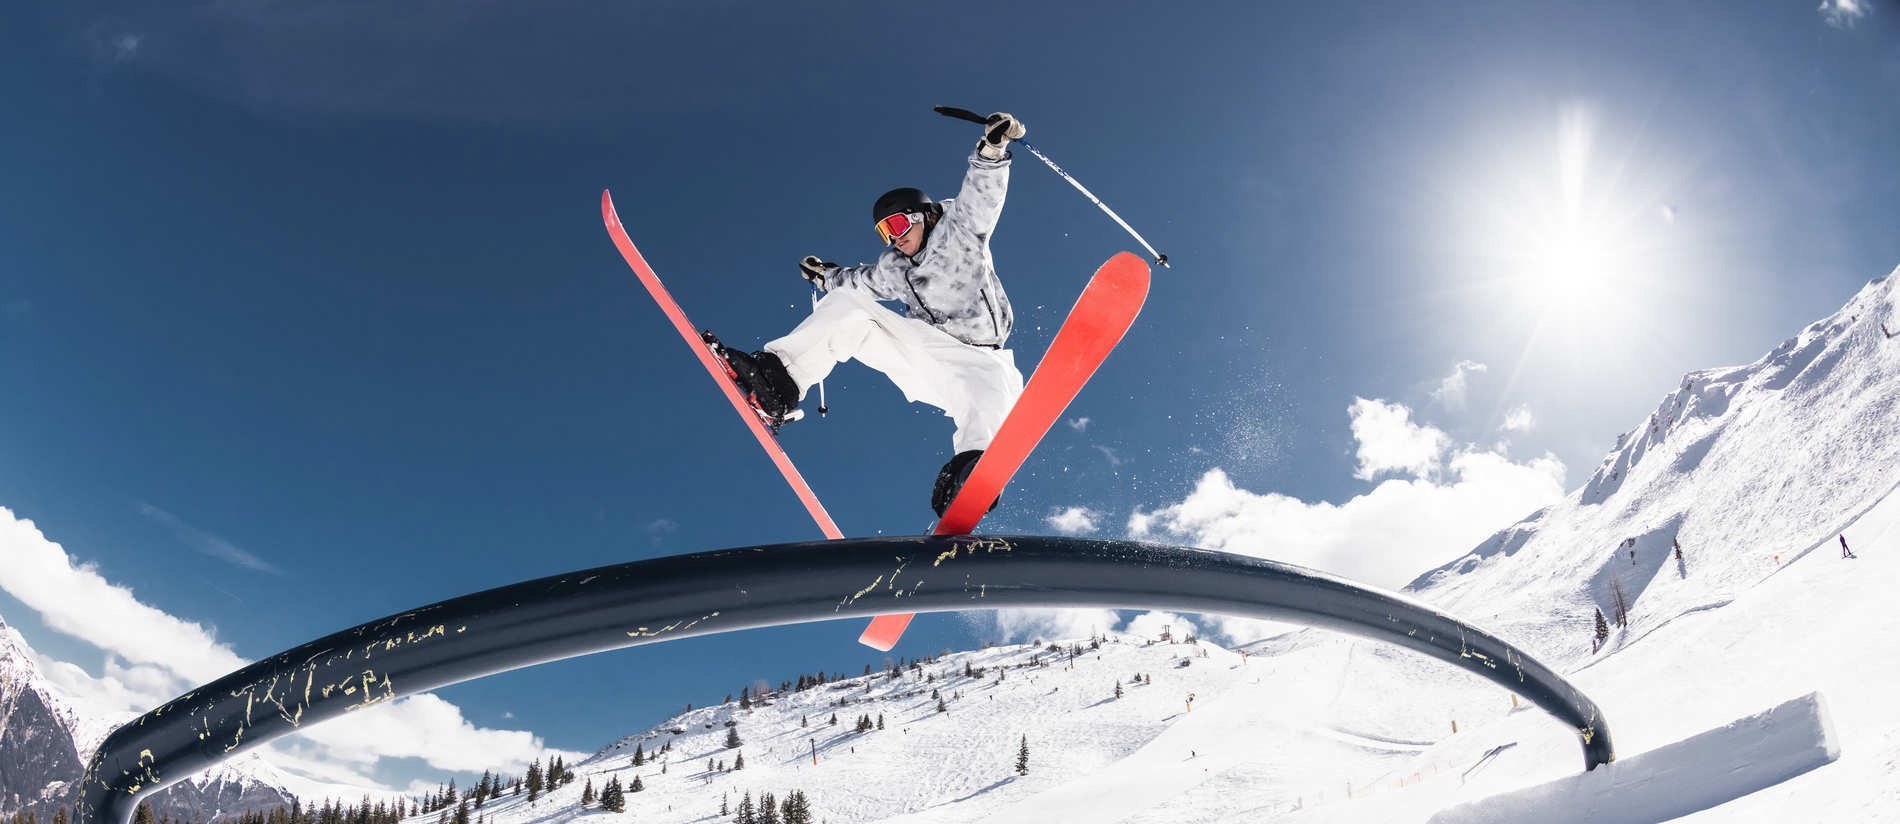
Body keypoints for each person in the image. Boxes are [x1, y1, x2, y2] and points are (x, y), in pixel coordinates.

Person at [708, 112, 1029, 515]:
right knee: (848, 309)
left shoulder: (960, 229)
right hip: (928, 354)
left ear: (922, 214)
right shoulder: (894, 268)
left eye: (896, 224)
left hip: (982, 355)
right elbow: (857, 283)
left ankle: (972, 470)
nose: (895, 237)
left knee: (989, 394)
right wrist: (825, 276)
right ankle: (780, 384)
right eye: (884, 233)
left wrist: (993, 148)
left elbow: (984, 192)